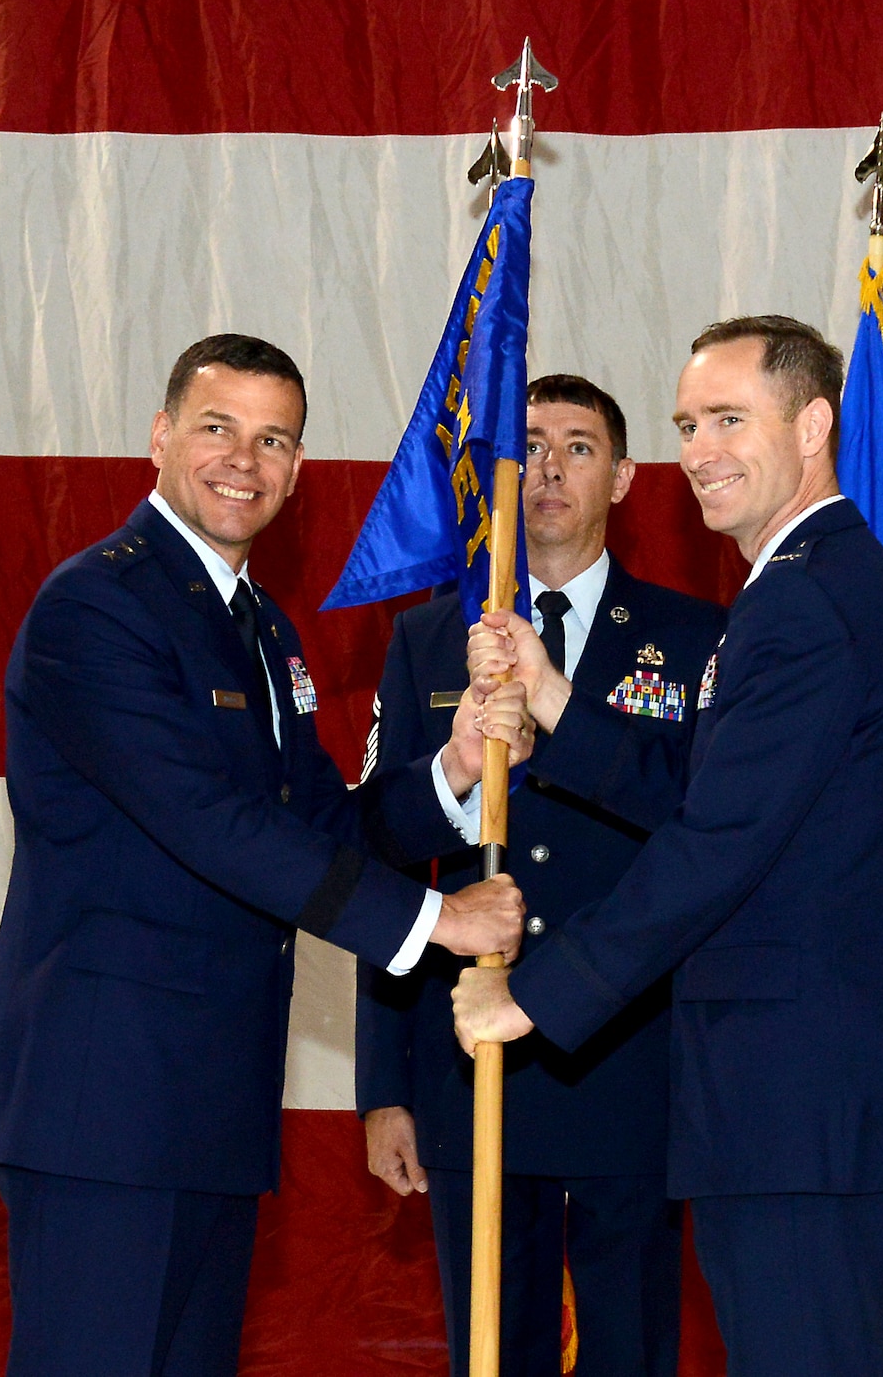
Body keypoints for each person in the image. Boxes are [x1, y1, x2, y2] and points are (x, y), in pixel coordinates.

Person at [0, 334, 529, 1377]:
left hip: (209, 1105)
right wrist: (436, 922)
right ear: (160, 436)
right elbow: (209, 824)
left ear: (298, 468)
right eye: (217, 427)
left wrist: (450, 770)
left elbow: (321, 824)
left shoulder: (261, 627)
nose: (243, 460)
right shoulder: (96, 606)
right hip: (106, 1106)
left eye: (273, 440)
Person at [452, 318, 883, 1376]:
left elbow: (719, 842)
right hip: (792, 1098)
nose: (699, 451)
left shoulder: (805, 598)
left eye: (729, 420)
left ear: (812, 426)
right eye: (686, 425)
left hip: (795, 1098)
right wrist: (552, 698)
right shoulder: (805, 580)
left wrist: (533, 995)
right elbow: (714, 788)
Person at [356, 375, 726, 1377]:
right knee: (489, 1351)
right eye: (529, 447)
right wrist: (384, 1085)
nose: (551, 468)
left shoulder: (695, 638)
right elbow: (382, 860)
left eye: (578, 446)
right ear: (496, 476)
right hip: (470, 1060)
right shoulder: (428, 638)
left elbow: (709, 833)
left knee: (631, 1348)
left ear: (623, 477)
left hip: (632, 1059)